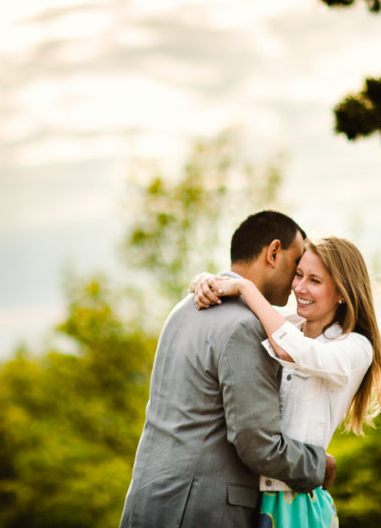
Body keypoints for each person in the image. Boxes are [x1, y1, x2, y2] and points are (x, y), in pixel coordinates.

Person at [120, 211, 333, 528]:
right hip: (200, 510)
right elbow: (258, 444)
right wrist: (318, 465)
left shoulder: (184, 307)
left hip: (148, 502)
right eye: (297, 263)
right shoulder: (246, 326)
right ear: (273, 252)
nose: (297, 279)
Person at [192, 236, 381, 528]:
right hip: (250, 495)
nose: (299, 287)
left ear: (342, 293)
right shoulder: (289, 325)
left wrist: (245, 287)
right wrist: (203, 282)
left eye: (314, 280)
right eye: (298, 275)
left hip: (297, 502)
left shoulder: (355, 347)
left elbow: (293, 350)